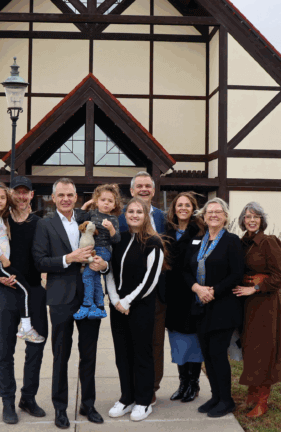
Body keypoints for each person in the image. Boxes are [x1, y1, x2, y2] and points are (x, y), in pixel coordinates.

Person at [33, 178, 108, 429]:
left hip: (89, 296)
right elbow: (40, 261)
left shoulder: (87, 220)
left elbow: (106, 246)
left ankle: (88, 404)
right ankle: (60, 407)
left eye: (70, 194)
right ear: (53, 198)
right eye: (61, 195)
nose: (65, 199)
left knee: (89, 354)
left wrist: (102, 263)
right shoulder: (45, 224)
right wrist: (69, 257)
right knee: (61, 355)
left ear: (76, 197)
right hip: (60, 298)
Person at [0, 176, 49, 424]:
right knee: (5, 350)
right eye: (16, 192)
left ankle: (28, 397)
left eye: (25, 193)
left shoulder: (39, 223)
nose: (21, 197)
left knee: (35, 348)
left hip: (33, 291)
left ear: (31, 195)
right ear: (10, 196)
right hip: (6, 292)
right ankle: (8, 402)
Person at [105, 197, 166, 422]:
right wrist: (114, 300)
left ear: (146, 215)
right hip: (118, 307)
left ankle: (143, 401)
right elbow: (109, 271)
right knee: (122, 354)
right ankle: (127, 398)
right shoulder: (118, 240)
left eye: (139, 212)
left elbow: (150, 280)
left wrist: (127, 301)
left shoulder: (153, 243)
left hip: (140, 307)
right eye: (130, 211)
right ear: (125, 214)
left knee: (142, 354)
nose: (134, 215)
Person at [184, 198, 244, 418]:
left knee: (218, 354)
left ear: (225, 216)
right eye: (210, 212)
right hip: (201, 306)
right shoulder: (198, 242)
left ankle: (226, 400)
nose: (214, 215)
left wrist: (213, 291)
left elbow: (236, 274)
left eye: (218, 212)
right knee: (207, 355)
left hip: (223, 307)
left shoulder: (232, 241)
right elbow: (185, 270)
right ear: (204, 216)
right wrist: (197, 288)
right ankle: (216, 396)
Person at [232, 202, 281, 418]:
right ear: (242, 220)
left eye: (256, 216)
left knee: (264, 350)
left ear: (262, 220)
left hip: (265, 304)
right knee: (249, 347)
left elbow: (279, 276)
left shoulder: (268, 242)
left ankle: (262, 400)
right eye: (247, 216)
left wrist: (256, 286)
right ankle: (252, 391)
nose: (251, 220)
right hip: (245, 304)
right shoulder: (242, 243)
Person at [117, 171, 167, 404]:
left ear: (154, 190)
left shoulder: (165, 218)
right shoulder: (120, 221)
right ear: (132, 191)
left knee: (153, 343)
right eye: (140, 186)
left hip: (158, 290)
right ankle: (132, 391)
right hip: (128, 292)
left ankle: (150, 389)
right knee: (129, 345)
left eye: (148, 185)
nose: (144, 189)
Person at [0, 182, 44, 344]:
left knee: (34, 353)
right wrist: (0, 267)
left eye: (2, 198)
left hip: (28, 282)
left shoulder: (4, 219)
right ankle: (26, 328)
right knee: (24, 290)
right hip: (1, 274)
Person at [163, 192, 206, 403]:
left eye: (187, 205)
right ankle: (182, 383)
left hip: (192, 292)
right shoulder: (167, 231)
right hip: (172, 294)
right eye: (179, 205)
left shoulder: (200, 231)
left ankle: (193, 383)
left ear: (193, 208)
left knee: (193, 339)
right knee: (178, 339)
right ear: (174, 208)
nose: (183, 208)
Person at [74, 184, 122, 320]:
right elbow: (78, 218)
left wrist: (111, 229)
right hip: (91, 249)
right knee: (95, 278)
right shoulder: (92, 213)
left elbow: (117, 240)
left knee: (87, 276)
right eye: (103, 200)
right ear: (97, 201)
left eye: (110, 201)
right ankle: (99, 306)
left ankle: (87, 304)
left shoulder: (113, 219)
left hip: (103, 250)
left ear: (114, 205)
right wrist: (88, 203)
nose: (106, 203)